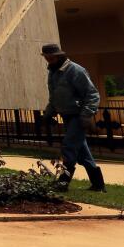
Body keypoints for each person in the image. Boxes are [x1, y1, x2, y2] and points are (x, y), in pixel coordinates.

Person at [41, 43, 105, 192]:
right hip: (67, 116)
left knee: (69, 147)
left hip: (78, 116)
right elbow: (54, 97)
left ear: (59, 56)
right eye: (46, 57)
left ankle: (63, 182)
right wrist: (48, 114)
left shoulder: (75, 70)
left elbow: (92, 94)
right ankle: (98, 185)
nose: (48, 60)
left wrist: (86, 114)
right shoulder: (53, 73)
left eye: (51, 57)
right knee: (83, 153)